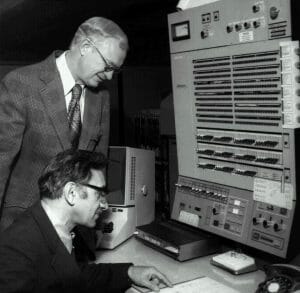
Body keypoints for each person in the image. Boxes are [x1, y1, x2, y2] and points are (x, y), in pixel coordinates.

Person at [0, 16, 128, 232]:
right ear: (86, 47)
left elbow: (97, 168)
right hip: (21, 224)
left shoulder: (102, 98)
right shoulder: (20, 83)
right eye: (108, 66)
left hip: (73, 231)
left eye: (115, 71)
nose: (109, 76)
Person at [0, 149, 172, 293]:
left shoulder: (53, 227)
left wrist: (129, 272)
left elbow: (74, 276)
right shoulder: (15, 251)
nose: (105, 205)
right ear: (72, 193)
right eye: (99, 193)